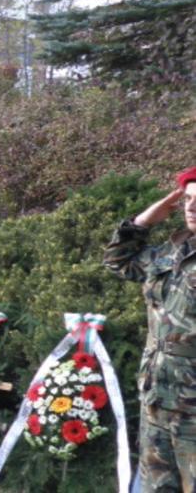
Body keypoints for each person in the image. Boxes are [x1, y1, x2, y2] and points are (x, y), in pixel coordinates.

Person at [103, 167, 196, 491]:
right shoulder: (171, 253)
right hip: (157, 398)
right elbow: (119, 262)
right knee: (155, 486)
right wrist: (142, 223)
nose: (191, 207)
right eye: (187, 199)